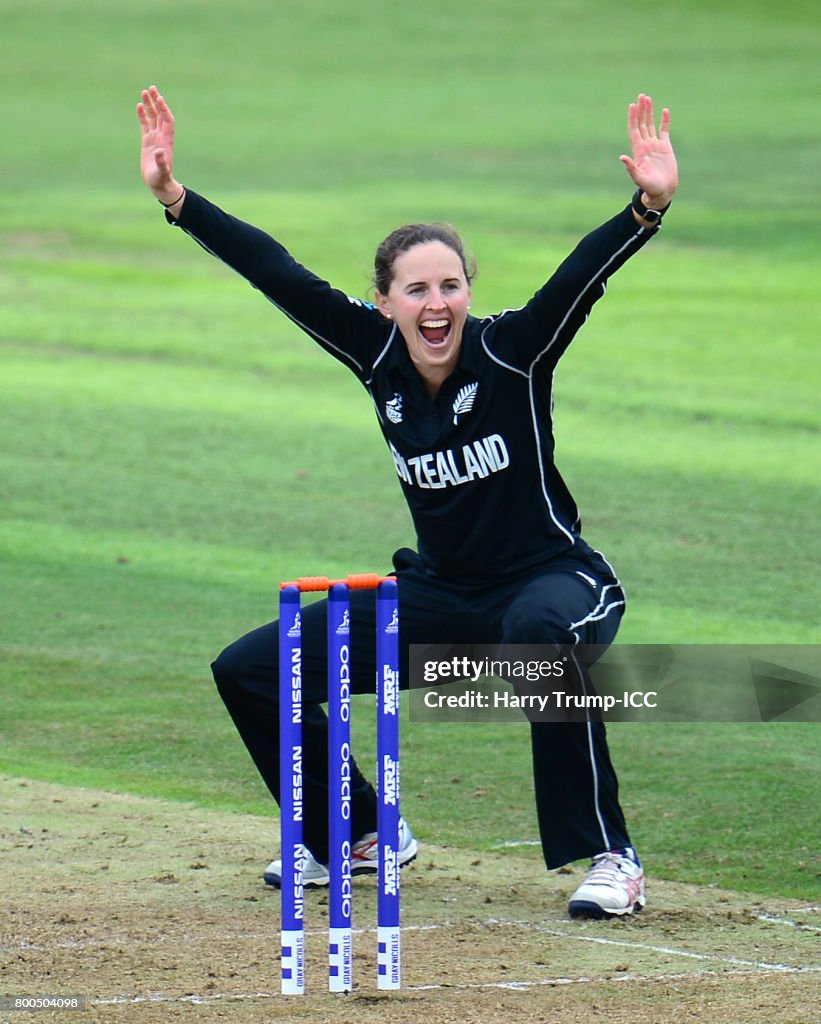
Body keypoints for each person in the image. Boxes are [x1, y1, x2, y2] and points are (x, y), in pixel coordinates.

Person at [137, 85, 678, 919]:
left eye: (450, 286)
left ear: (468, 290)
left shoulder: (513, 353)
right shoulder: (373, 352)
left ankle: (613, 855)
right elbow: (274, 272)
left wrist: (644, 208)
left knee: (540, 640)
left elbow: (580, 277)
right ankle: (356, 833)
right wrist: (176, 199)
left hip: (551, 581)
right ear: (386, 301)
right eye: (417, 290)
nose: (437, 306)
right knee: (252, 667)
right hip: (440, 592)